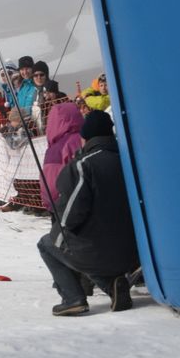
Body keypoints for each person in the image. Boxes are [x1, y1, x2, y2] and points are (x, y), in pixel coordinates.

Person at [37, 110, 140, 316]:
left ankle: (73, 298)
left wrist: (57, 237)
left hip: (100, 253)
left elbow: (70, 216)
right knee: (83, 245)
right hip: (133, 253)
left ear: (86, 137)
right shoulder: (128, 160)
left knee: (49, 244)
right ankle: (112, 286)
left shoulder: (84, 166)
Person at [39, 102, 83, 213]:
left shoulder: (57, 147)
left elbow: (51, 185)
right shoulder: (84, 138)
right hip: (85, 201)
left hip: (65, 205)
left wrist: (52, 205)